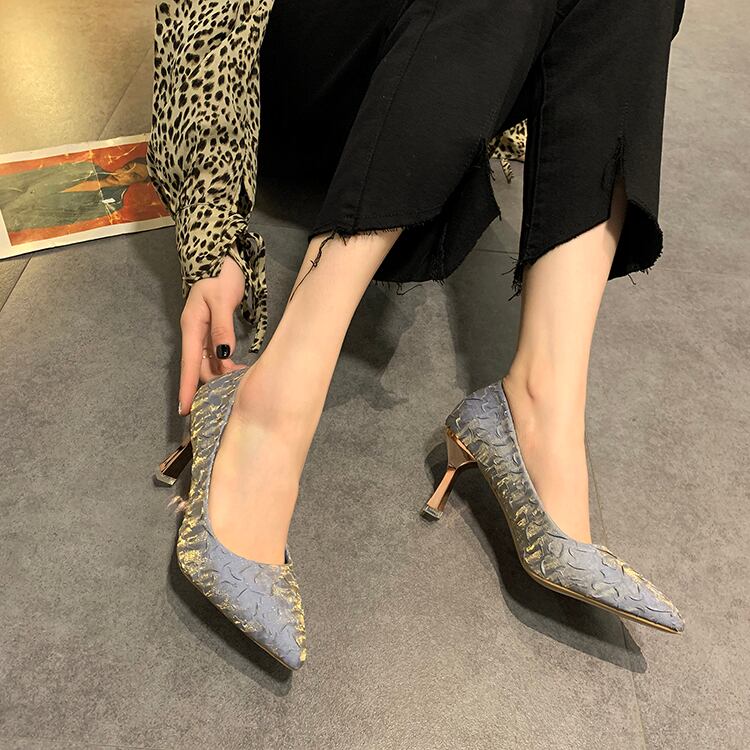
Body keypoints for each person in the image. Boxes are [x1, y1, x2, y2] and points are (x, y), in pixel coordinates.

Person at [148, 0, 687, 670]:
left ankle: (540, 404)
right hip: (301, 75)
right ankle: (270, 407)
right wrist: (211, 233)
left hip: (452, 70)